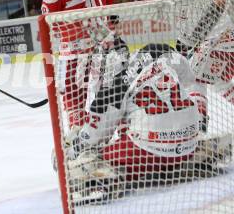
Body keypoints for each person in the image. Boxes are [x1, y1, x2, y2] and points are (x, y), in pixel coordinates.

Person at [63, 44, 227, 204]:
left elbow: (97, 131)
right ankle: (191, 157)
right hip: (188, 144)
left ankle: (110, 174)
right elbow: (191, 76)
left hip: (145, 154)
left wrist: (75, 148)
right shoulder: (160, 52)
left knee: (89, 161)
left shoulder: (114, 85)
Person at [37, 0, 117, 128]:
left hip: (74, 46)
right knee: (107, 90)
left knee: (71, 93)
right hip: (103, 38)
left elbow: (50, 22)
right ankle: (110, 128)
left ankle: (78, 132)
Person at [166, 0, 234, 104]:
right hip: (222, 44)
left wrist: (196, 35)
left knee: (193, 79)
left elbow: (220, 2)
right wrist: (182, 44)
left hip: (222, 41)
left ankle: (200, 126)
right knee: (218, 83)